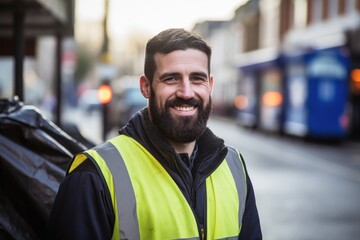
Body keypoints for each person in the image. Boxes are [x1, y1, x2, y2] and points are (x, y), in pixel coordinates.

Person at [47, 28, 262, 240]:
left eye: (197, 78)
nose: (186, 92)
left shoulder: (235, 168)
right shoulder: (94, 176)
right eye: (171, 79)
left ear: (210, 85)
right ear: (146, 87)